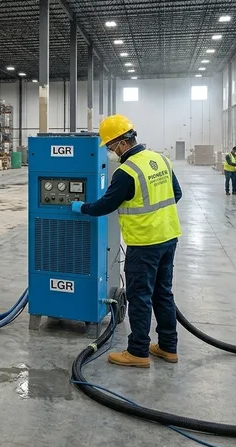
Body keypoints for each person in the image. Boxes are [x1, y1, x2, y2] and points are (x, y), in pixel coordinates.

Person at [71, 114, 183, 368]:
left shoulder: (127, 171)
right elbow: (177, 193)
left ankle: (138, 352)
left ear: (122, 142)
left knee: (140, 296)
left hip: (144, 243)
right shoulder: (160, 159)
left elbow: (105, 205)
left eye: (110, 146)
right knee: (163, 293)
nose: (110, 151)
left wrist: (82, 208)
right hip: (168, 237)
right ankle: (168, 347)